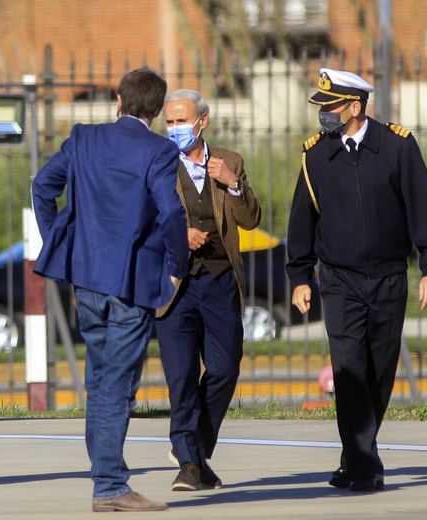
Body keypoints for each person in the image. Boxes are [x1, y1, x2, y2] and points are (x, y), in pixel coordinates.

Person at [32, 68, 188, 512]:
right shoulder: (159, 150)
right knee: (115, 385)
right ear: (156, 111)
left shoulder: (83, 138)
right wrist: (175, 269)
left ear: (119, 99)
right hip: (131, 283)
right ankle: (109, 485)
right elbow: (173, 215)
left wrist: (59, 241)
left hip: (86, 279)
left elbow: (43, 186)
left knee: (101, 380)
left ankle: (107, 480)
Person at [286, 68, 427, 492]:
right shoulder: (316, 155)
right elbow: (301, 220)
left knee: (379, 369)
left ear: (355, 107)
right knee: (349, 367)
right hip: (339, 279)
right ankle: (363, 464)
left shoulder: (396, 146)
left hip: (389, 277)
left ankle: (356, 453)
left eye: (331, 106)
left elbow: (423, 207)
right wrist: (300, 275)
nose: (324, 115)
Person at [156, 89, 261, 491]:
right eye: (169, 121)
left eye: (182, 120)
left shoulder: (229, 162)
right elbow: (144, 221)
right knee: (181, 377)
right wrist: (178, 235)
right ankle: (188, 462)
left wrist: (233, 185)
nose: (175, 128)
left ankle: (196, 449)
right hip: (175, 285)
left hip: (219, 282)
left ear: (203, 121)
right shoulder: (159, 164)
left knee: (224, 367)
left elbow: (251, 219)